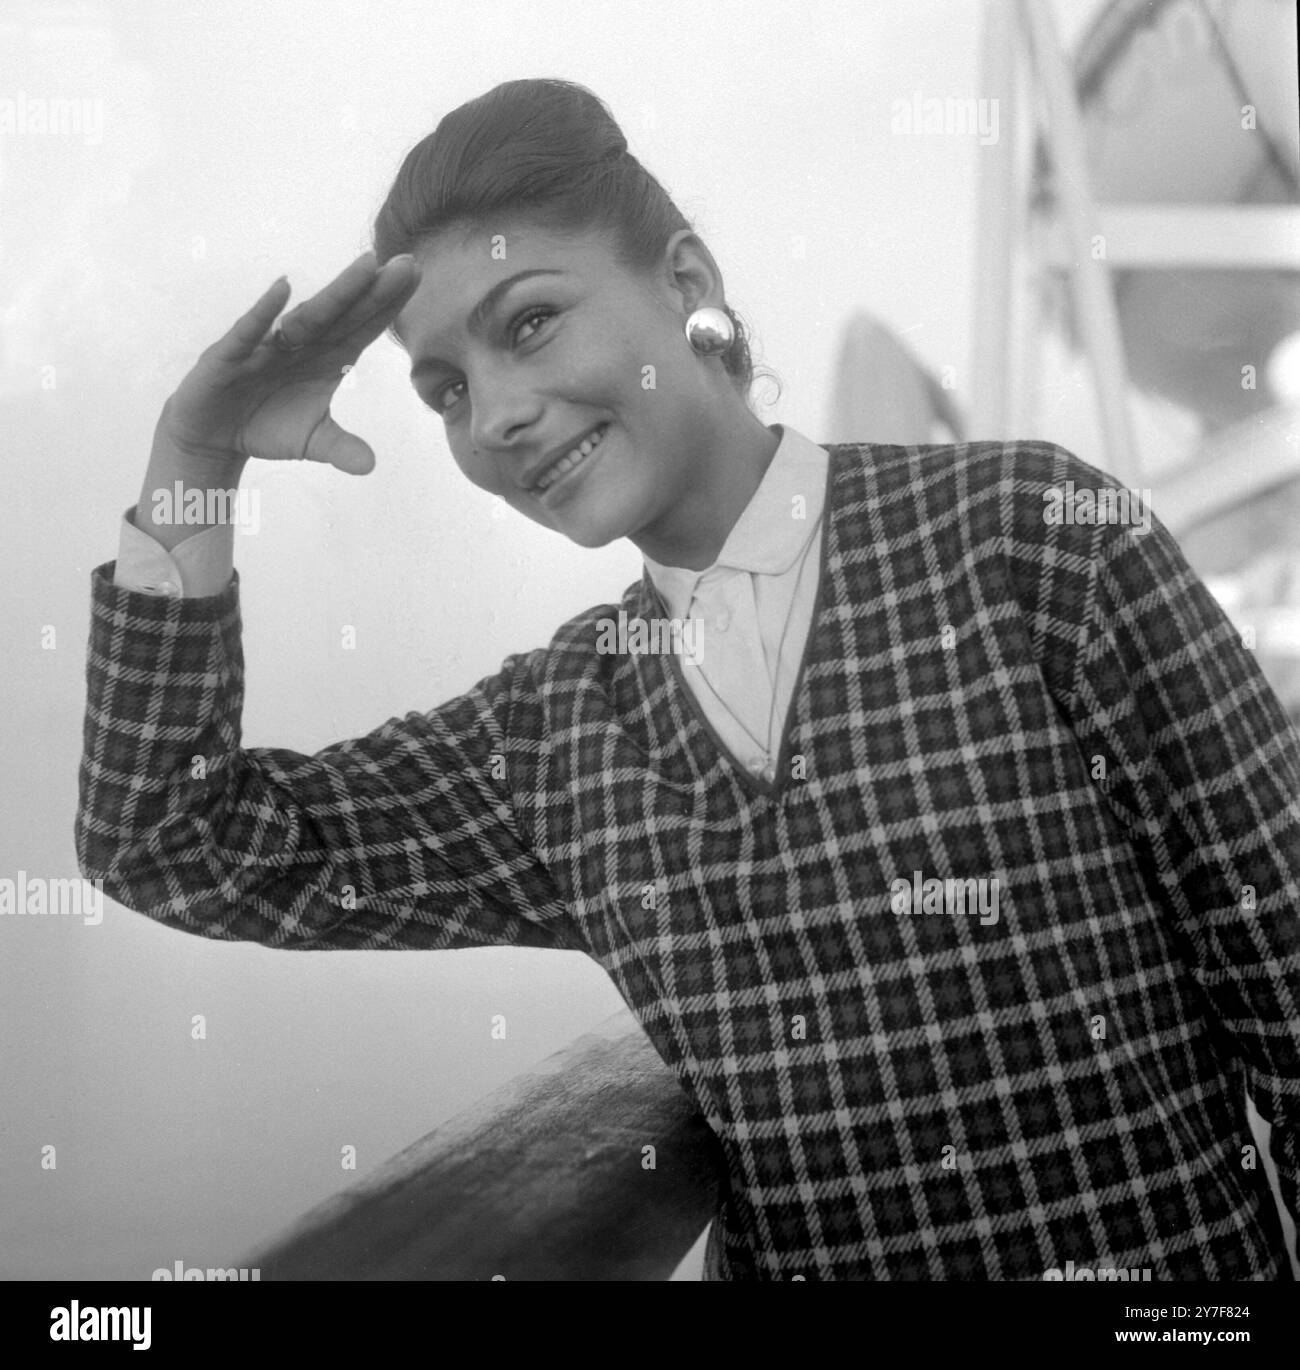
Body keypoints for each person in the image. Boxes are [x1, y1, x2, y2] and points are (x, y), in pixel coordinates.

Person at [76, 78, 1300, 1281]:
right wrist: (197, 458)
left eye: (530, 321)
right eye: (446, 387)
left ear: (688, 287)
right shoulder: (550, 736)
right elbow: (169, 837)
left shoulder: (1034, 537)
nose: (493, 412)